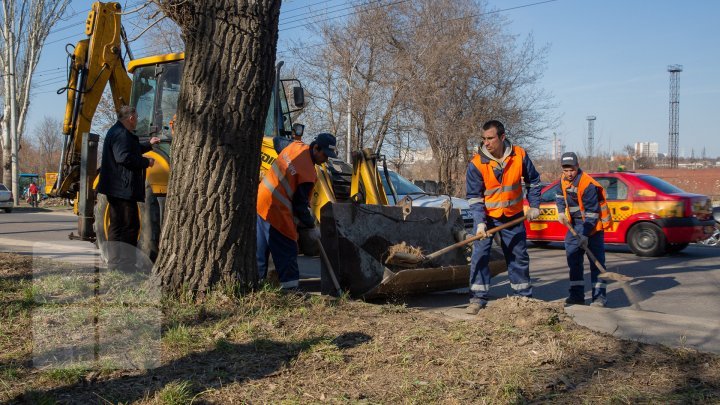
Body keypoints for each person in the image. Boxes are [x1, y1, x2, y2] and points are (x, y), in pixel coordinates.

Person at [465, 120, 542, 314]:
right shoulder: (476, 163)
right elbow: (474, 198)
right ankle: (477, 297)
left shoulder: (519, 155)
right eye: (483, 139)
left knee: (518, 256)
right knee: (480, 256)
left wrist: (534, 206)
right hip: (488, 219)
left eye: (490, 138)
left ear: (502, 137)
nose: (486, 143)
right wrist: (480, 223)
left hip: (513, 216)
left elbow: (534, 181)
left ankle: (523, 298)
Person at [256, 133, 337, 289]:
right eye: (325, 155)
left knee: (260, 251)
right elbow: (300, 207)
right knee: (288, 249)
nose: (326, 159)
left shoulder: (294, 146)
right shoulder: (307, 174)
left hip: (261, 202)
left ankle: (257, 284)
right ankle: (291, 290)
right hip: (277, 212)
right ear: (316, 148)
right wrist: (311, 226)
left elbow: (276, 140)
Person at [97, 105, 161, 271]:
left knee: (117, 226)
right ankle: (125, 265)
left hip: (117, 187)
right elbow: (123, 157)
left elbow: (131, 149)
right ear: (131, 118)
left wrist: (149, 144)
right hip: (122, 188)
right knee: (129, 226)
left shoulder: (120, 132)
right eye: (136, 118)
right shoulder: (120, 134)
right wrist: (146, 162)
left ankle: (114, 263)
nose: (137, 121)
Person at [556, 152, 613, 307]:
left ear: (577, 166)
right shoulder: (562, 180)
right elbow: (559, 195)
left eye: (572, 170)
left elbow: (592, 214)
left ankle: (599, 298)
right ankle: (576, 296)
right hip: (574, 225)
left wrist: (585, 235)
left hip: (592, 227)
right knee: (573, 261)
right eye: (565, 170)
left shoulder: (587, 185)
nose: (569, 173)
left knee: (597, 263)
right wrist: (560, 211)